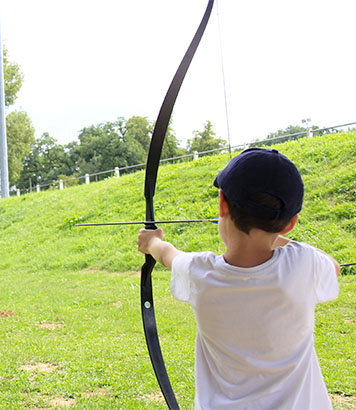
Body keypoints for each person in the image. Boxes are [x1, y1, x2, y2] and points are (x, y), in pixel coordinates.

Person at [137, 148, 340, 409]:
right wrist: (273, 230)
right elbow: (332, 266)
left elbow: (167, 254)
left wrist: (152, 241)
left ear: (222, 203)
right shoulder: (303, 264)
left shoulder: (201, 273)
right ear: (290, 223)